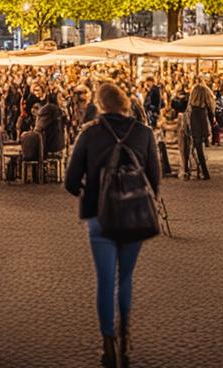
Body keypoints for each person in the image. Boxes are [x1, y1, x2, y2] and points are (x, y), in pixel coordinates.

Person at [64, 82, 161, 368]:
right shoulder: (143, 133)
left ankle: (108, 342)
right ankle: (125, 334)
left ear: (100, 104)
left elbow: (70, 181)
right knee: (125, 278)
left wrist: (88, 191)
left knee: (105, 280)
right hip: (133, 213)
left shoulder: (90, 134)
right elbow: (155, 178)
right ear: (125, 103)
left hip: (99, 216)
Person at [186, 83, 213, 180]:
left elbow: (189, 120)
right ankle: (202, 171)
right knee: (198, 150)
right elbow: (211, 117)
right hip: (203, 129)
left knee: (195, 150)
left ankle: (202, 172)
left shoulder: (192, 108)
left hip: (195, 129)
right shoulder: (204, 107)